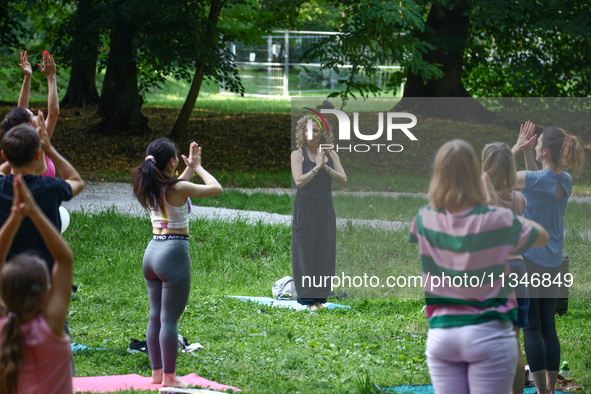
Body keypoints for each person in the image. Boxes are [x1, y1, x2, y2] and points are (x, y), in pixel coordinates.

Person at [409, 139, 549, 394]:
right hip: (490, 333)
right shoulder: (496, 218)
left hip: (443, 335)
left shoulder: (424, 218)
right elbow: (541, 236)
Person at [131, 138, 222, 388]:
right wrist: (199, 167)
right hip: (173, 253)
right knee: (169, 320)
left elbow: (176, 183)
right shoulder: (177, 189)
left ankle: (157, 373)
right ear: (171, 162)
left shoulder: (149, 185)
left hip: (152, 253)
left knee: (155, 317)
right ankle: (170, 377)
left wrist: (189, 167)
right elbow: (216, 188)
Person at [511, 121, 585, 394]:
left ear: (546, 150)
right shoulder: (565, 180)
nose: (536, 144)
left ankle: (541, 390)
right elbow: (537, 183)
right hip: (554, 263)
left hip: (530, 262)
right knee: (549, 327)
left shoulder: (536, 181)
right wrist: (530, 154)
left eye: (538, 142)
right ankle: (550, 389)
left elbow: (497, 177)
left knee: (532, 328)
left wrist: (517, 148)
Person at [0, 174, 74, 394]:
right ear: (45, 294)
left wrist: (14, 216)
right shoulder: (51, 326)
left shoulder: (4, 327)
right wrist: (34, 211)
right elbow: (65, 259)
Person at [0, 112, 83, 272]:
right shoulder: (50, 188)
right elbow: (76, 182)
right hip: (44, 276)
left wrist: (13, 153)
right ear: (38, 155)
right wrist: (48, 148)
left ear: (4, 155)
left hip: (7, 278)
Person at [482, 142, 528, 394]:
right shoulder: (519, 200)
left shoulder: (489, 200)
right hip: (519, 269)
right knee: (513, 341)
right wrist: (514, 152)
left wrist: (513, 149)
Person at [290, 115, 347, 310]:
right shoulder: (298, 154)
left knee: (324, 252)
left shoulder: (331, 154)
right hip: (305, 209)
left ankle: (320, 298)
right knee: (304, 253)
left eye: (315, 130)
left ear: (322, 133)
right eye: (307, 131)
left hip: (325, 208)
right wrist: (316, 168)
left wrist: (325, 167)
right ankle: (307, 300)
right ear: (302, 133)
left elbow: (343, 179)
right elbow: (299, 181)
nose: (311, 134)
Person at [1, 50, 60, 177]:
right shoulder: (37, 144)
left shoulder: (17, 150)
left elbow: (20, 113)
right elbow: (54, 112)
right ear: (28, 125)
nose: (36, 116)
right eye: (33, 115)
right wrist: (51, 77)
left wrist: (27, 77)